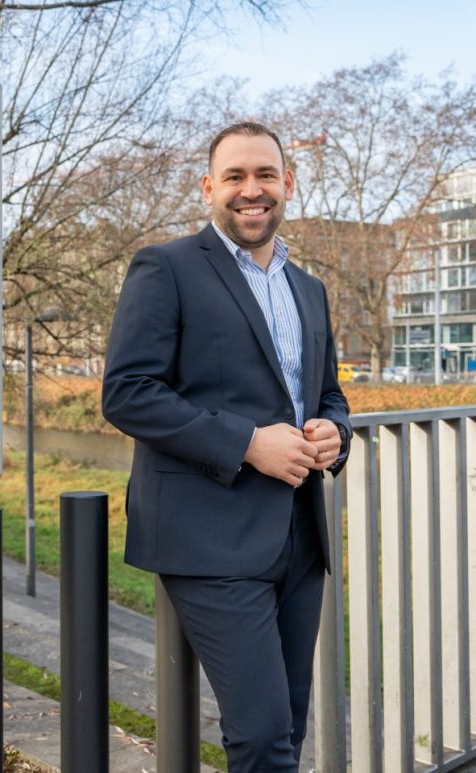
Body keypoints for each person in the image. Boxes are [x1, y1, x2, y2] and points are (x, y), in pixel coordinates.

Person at [102, 121, 351, 771]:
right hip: (209, 536)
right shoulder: (166, 267)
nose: (251, 189)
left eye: (265, 174)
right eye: (234, 176)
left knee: (288, 728)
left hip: (300, 535)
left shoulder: (309, 289)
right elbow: (127, 393)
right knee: (263, 737)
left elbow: (328, 395)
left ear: (287, 183)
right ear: (209, 187)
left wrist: (335, 433)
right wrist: (246, 443)